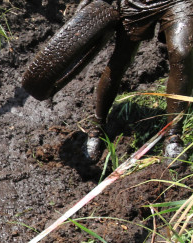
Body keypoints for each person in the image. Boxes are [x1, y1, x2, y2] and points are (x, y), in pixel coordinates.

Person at [22, 0, 193, 160]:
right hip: (137, 3)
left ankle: (173, 135)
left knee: (183, 54)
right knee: (120, 61)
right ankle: (97, 126)